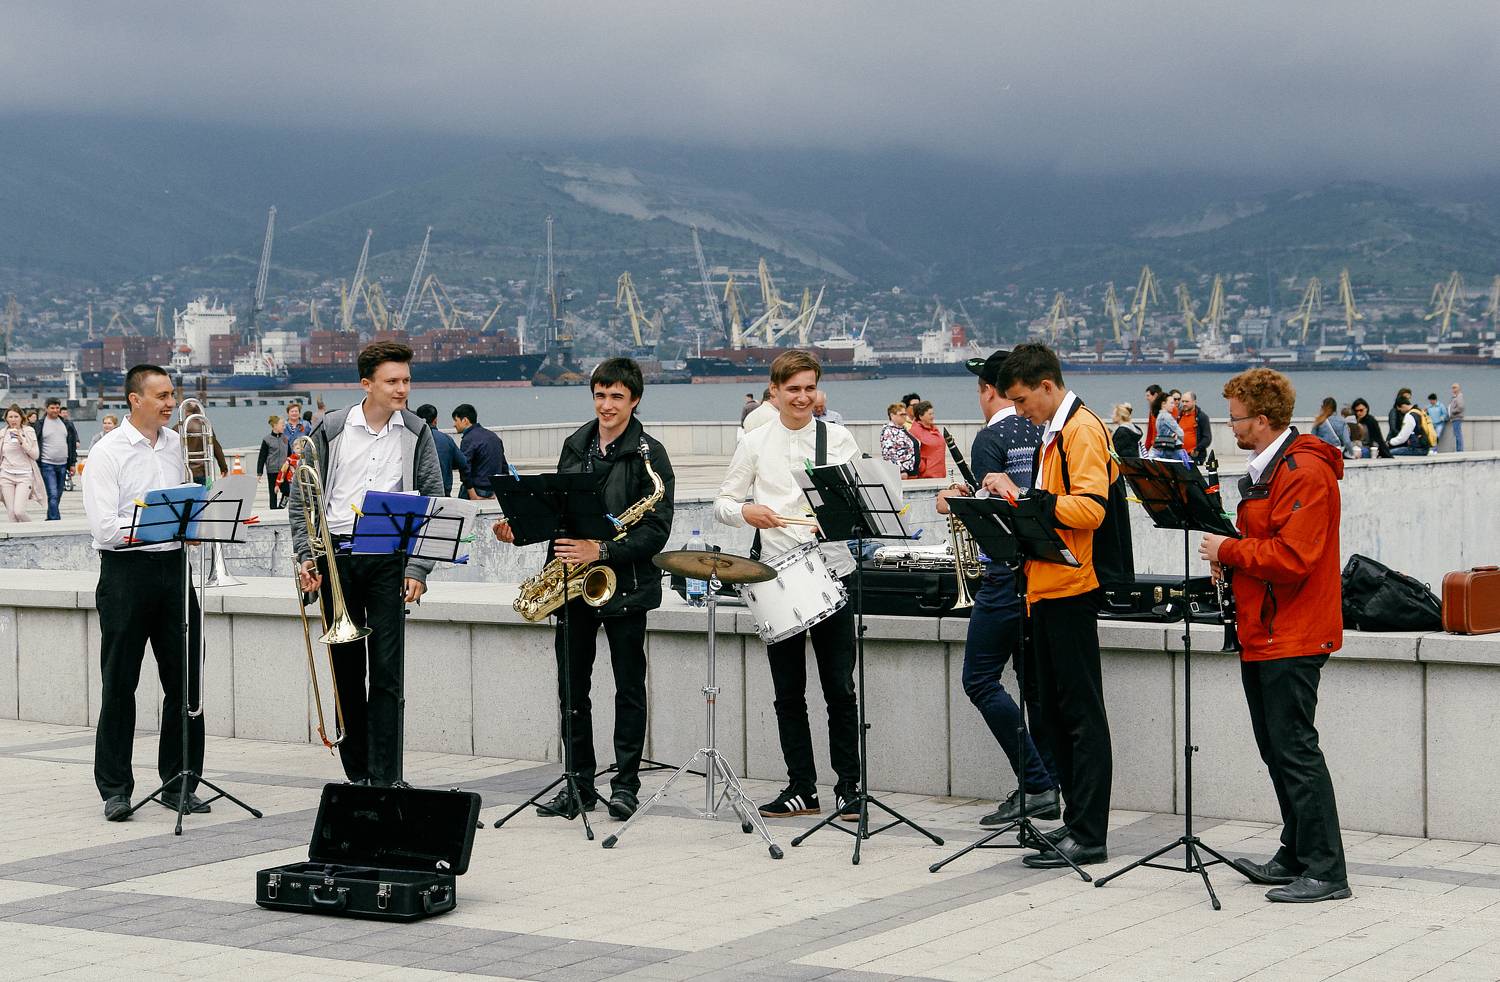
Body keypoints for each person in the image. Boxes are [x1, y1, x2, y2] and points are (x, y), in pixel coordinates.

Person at [494, 358, 675, 821]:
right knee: (572, 691)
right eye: (600, 395)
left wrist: (603, 551)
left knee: (628, 689)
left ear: (634, 400)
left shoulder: (651, 456)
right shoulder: (575, 445)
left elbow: (656, 531)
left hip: (625, 586)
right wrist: (521, 529)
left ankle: (626, 785)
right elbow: (560, 514)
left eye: (616, 396)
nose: (606, 405)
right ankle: (578, 784)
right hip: (573, 585)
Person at [1200, 367, 1350, 904]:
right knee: (1277, 749)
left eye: (1236, 419)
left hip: (1293, 632)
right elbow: (1271, 543)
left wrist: (1229, 550)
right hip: (1265, 630)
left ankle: (1327, 870)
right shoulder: (1274, 468)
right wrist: (1234, 559)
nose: (1232, 427)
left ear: (1262, 420)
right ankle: (1296, 853)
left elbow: (1294, 557)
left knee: (1294, 750)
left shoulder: (1303, 471)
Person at [982, 342, 1115, 869]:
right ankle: (1076, 823)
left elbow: (1092, 509)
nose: (1019, 411)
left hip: (1072, 588)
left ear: (1046, 386)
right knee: (1057, 716)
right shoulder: (1054, 430)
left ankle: (1090, 833)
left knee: (1081, 717)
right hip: (1046, 587)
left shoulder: (1081, 430)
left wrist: (1023, 498)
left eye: (1021, 401)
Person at [714, 349, 862, 820]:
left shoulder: (837, 439)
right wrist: (747, 512)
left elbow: (859, 503)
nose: (802, 397)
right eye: (792, 389)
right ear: (774, 392)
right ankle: (802, 788)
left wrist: (839, 518)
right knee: (788, 692)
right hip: (776, 575)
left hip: (832, 571)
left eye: (809, 388)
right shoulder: (755, 441)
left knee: (840, 689)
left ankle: (850, 788)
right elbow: (723, 502)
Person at [289, 341, 444, 787]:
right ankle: (358, 773)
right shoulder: (332, 428)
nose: (402, 389)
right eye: (392, 381)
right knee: (346, 674)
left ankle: (386, 776)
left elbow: (433, 499)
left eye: (406, 380)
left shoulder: (416, 431)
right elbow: (302, 497)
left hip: (388, 560)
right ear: (366, 384)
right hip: (335, 558)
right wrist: (306, 556)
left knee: (388, 674)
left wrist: (418, 568)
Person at [937, 351, 1056, 827]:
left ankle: (1037, 783)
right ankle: (1050, 783)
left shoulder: (990, 437)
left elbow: (994, 515)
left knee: (980, 679)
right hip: (1040, 572)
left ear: (989, 391)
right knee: (1034, 684)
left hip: (1004, 573)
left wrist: (956, 503)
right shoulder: (1045, 430)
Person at [82, 365, 206, 821]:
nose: (171, 403)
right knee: (120, 683)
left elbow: (194, 504)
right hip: (126, 574)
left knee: (186, 684)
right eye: (162, 396)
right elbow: (104, 528)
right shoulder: (107, 452)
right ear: (136, 399)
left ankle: (180, 783)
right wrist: (156, 524)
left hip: (174, 570)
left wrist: (196, 523)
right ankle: (115, 789)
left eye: (172, 394)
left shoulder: (178, 446)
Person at [33, 397, 78, 520]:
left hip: (63, 464)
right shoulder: (40, 424)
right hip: (47, 464)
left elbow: (72, 445)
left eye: (57, 408)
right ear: (46, 409)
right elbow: (35, 442)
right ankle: (55, 519)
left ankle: (50, 517)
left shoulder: (67, 424)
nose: (55, 410)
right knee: (52, 493)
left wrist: (72, 463)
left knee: (58, 494)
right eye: (52, 408)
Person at [452, 404, 508, 499]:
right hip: (493, 491)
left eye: (455, 420)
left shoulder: (469, 439)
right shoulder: (494, 437)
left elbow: (465, 468)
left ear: (465, 420)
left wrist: (472, 494)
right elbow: (504, 468)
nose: (454, 424)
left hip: (476, 490)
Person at [1, 404, 44, 522]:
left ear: (21, 418)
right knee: (11, 513)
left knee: (19, 511)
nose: (13, 420)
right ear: (6, 419)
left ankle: (32, 530)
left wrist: (22, 441)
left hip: (24, 475)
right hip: (6, 475)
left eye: (16, 416)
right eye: (10, 417)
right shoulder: (3, 433)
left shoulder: (29, 431)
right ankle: (16, 535)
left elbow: (35, 455)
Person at [415, 403, 468, 496]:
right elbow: (463, 463)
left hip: (418, 494)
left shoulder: (413, 439)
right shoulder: (446, 439)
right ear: (435, 420)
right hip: (443, 493)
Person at [175, 412, 226, 486]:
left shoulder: (177, 427)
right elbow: (216, 448)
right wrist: (223, 468)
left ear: (186, 412)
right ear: (199, 411)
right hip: (203, 472)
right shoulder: (205, 427)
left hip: (184, 473)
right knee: (206, 492)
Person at [1147, 390, 1190, 464]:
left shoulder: (1159, 416)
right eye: (1171, 403)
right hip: (1174, 449)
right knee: (1187, 466)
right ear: (1163, 404)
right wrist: (1179, 437)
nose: (1173, 405)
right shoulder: (1166, 416)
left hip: (1163, 448)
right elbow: (1180, 432)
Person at [879, 402, 920, 477]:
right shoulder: (888, 431)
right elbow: (888, 454)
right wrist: (901, 471)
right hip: (903, 474)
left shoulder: (903, 430)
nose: (904, 417)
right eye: (901, 414)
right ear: (892, 415)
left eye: (905, 414)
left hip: (913, 472)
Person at [256, 415, 288, 509]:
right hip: (272, 470)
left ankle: (281, 507)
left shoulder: (285, 438)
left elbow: (289, 454)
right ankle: (273, 510)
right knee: (273, 493)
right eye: (282, 425)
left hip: (284, 470)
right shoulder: (267, 440)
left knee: (287, 491)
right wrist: (259, 472)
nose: (284, 427)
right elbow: (262, 457)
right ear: (275, 425)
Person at [909, 400, 947, 479]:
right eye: (929, 414)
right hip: (926, 476)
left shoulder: (934, 429)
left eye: (933, 413)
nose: (932, 416)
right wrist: (923, 467)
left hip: (940, 474)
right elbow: (911, 453)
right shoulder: (914, 431)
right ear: (920, 416)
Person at [1179, 391, 1213, 465]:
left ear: (1194, 402)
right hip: (1179, 455)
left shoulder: (1201, 417)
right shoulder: (1179, 416)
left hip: (1194, 456)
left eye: (1187, 401)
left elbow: (1207, 438)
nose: (1184, 404)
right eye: (1183, 401)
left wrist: (1197, 449)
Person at [1143, 384, 1163, 450]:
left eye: (1148, 395)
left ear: (1155, 395)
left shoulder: (1166, 411)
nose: (1146, 398)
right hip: (1155, 446)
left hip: (1163, 446)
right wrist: (1146, 449)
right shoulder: (1152, 412)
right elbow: (1150, 432)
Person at [1448, 383, 1465, 452]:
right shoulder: (1455, 397)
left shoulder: (1459, 396)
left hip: (1457, 418)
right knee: (1457, 434)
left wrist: (1452, 411)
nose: (1453, 389)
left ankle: (1460, 450)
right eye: (1452, 388)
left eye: (1455, 388)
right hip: (1455, 418)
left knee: (1458, 434)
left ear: (1458, 388)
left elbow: (1460, 407)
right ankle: (1459, 449)